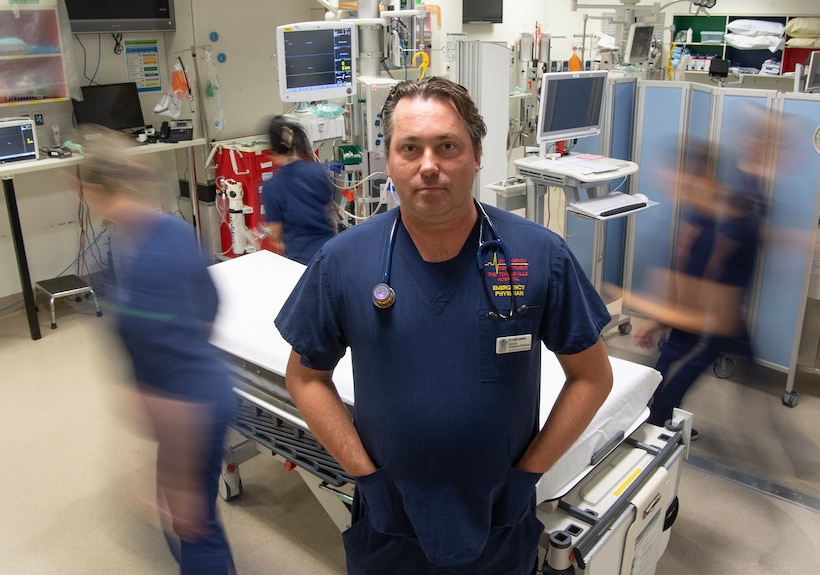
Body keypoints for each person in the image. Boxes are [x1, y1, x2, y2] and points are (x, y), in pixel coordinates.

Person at [274, 77, 613, 574]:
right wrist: (364, 476)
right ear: (389, 161)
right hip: (390, 518)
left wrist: (528, 474)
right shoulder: (343, 261)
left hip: (501, 517)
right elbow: (305, 377)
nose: (428, 166)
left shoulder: (539, 255)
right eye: (409, 147)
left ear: (477, 155)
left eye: (447, 146)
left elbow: (592, 376)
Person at [77, 127, 235, 575]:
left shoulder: (141, 267)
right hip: (203, 395)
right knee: (193, 521)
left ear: (89, 189)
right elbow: (210, 307)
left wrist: (171, 474)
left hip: (190, 410)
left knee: (191, 525)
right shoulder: (169, 231)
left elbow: (165, 363)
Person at [630, 140, 765, 432]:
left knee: (681, 351)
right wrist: (671, 310)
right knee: (686, 351)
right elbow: (690, 257)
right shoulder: (704, 208)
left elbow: (705, 256)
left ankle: (652, 410)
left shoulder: (718, 204)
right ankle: (656, 414)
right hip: (706, 299)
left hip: (711, 298)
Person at [262, 116, 337, 264]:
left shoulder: (272, 187)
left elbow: (276, 235)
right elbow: (329, 210)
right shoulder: (318, 171)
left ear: (271, 151)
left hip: (300, 260)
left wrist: (270, 236)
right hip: (329, 253)